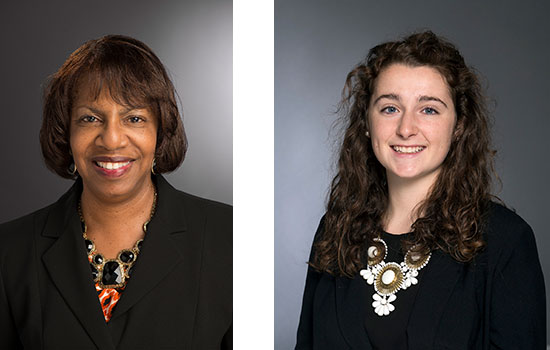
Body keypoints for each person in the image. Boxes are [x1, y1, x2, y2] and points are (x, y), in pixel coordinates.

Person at [295, 31, 545, 349]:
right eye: (389, 108)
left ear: (459, 125)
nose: (406, 128)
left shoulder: (505, 241)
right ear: (367, 122)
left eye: (429, 109)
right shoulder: (335, 229)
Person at [0, 35, 232, 349]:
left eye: (134, 118)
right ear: (65, 131)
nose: (111, 140)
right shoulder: (10, 252)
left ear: (159, 132)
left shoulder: (230, 238)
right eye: (90, 118)